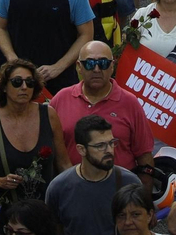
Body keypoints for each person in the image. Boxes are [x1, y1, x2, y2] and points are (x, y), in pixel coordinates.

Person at [48, 40, 155, 197]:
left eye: (103, 63)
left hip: (120, 194)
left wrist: (144, 200)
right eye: (90, 64)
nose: (97, 69)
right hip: (72, 192)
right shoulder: (61, 99)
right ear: (79, 66)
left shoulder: (130, 102)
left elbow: (144, 156)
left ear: (112, 66)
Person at [0, 60, 66, 202]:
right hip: (6, 209)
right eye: (17, 82)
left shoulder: (49, 115)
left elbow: (63, 164)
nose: (24, 87)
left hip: (45, 208)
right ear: (4, 86)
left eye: (29, 82)